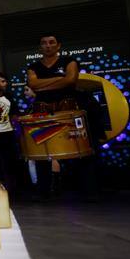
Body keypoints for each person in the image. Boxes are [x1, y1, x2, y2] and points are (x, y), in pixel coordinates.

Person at [26, 33, 95, 200]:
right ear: (40, 47)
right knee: (43, 154)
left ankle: (87, 191)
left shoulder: (69, 62)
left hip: (67, 110)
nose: (48, 45)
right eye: (44, 43)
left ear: (58, 46)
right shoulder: (33, 66)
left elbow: (71, 80)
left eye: (51, 42)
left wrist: (46, 84)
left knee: (78, 151)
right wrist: (59, 79)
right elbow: (33, 84)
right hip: (42, 112)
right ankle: (44, 192)